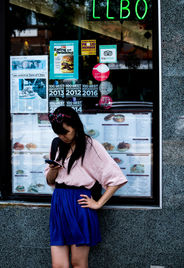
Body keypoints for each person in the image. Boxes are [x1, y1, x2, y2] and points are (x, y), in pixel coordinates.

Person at [45, 106, 127, 268]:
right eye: (58, 134)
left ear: (76, 126)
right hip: (59, 203)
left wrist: (98, 203)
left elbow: (117, 178)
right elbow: (50, 180)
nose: (62, 137)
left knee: (78, 263)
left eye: (66, 132)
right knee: (58, 265)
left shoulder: (91, 145)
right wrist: (53, 170)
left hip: (79, 204)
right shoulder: (56, 145)